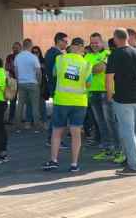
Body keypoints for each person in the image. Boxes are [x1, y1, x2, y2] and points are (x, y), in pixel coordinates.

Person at [107, 28, 136, 176]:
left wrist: (109, 95)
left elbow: (109, 78)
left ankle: (133, 166)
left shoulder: (115, 54)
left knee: (128, 132)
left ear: (115, 39)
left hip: (123, 99)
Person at [43, 38, 91, 172]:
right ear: (81, 48)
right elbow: (88, 84)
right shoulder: (86, 63)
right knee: (76, 133)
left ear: (71, 47)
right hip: (79, 102)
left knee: (57, 131)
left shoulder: (60, 59)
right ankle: (74, 164)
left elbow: (54, 74)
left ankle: (53, 160)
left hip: (62, 101)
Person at [86, 33, 118, 161]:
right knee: (100, 123)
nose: (94, 45)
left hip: (107, 91)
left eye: (96, 42)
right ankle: (107, 149)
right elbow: (89, 71)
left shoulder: (108, 54)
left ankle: (117, 149)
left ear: (102, 42)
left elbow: (99, 69)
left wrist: (89, 69)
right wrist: (91, 68)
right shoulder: (87, 56)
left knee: (111, 122)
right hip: (93, 92)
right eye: (92, 42)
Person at [43, 32, 69, 144]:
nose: (66, 44)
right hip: (58, 87)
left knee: (57, 114)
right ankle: (53, 139)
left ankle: (52, 138)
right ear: (59, 41)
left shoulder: (49, 52)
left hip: (53, 86)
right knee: (59, 115)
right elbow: (59, 73)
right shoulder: (57, 55)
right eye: (65, 41)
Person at [14, 39, 42, 130]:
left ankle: (18, 126)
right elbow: (38, 72)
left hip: (21, 83)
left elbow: (16, 70)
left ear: (23, 45)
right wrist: (39, 82)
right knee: (35, 105)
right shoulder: (34, 57)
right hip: (33, 83)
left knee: (20, 105)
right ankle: (37, 126)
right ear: (30, 45)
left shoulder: (18, 57)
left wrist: (18, 80)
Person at [5, 42, 21, 123]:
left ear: (20, 48)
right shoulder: (9, 57)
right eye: (14, 47)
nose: (15, 49)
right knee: (12, 99)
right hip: (12, 80)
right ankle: (11, 118)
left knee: (23, 100)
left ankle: (22, 118)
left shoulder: (22, 57)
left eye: (17, 47)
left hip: (22, 80)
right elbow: (7, 67)